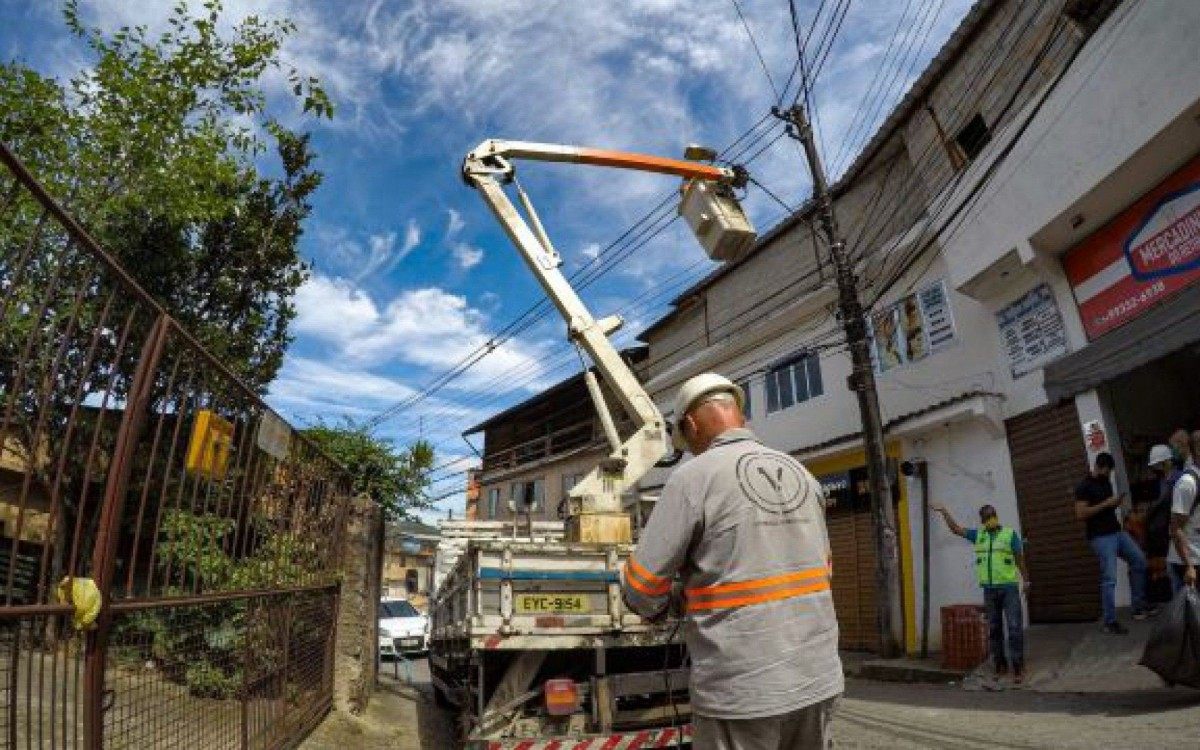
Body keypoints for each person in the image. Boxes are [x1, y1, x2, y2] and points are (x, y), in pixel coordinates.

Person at [620, 373, 841, 750]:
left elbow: (640, 587)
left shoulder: (693, 478)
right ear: (740, 414)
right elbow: (823, 569)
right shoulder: (801, 474)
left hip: (742, 691)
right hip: (819, 680)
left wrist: (670, 603)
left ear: (690, 425)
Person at [931, 503, 1029, 682]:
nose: (989, 519)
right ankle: (1000, 665)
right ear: (982, 521)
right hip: (989, 590)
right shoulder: (979, 535)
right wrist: (944, 511)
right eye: (986, 517)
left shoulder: (1009, 534)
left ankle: (1018, 667)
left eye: (991, 515)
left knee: (1014, 628)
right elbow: (955, 529)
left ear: (996, 516)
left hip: (1009, 589)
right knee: (994, 629)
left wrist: (1026, 580)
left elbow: (1019, 559)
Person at [1074, 452, 1153, 633]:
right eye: (1107, 471)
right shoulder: (1084, 486)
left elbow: (1107, 507)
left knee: (1139, 561)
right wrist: (1106, 504)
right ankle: (1109, 622)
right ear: (1098, 467)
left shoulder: (1106, 482)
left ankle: (1138, 607)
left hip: (1116, 532)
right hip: (1100, 537)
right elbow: (1080, 514)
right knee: (1109, 578)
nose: (1108, 475)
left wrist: (1115, 503)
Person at [1151, 444, 1200, 593]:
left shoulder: (1180, 480)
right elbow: (1175, 526)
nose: (1157, 468)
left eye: (1160, 464)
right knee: (1183, 598)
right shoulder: (1173, 482)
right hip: (1179, 548)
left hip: (1185, 547)